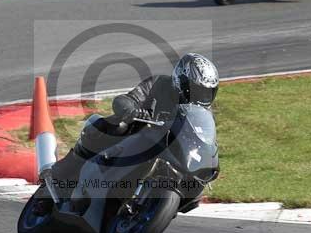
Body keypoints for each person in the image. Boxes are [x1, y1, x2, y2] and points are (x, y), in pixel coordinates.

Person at [33, 53, 219, 213]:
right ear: (181, 80)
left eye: (205, 93)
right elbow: (127, 99)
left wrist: (209, 161)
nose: (200, 97)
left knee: (195, 183)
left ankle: (146, 207)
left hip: (167, 151)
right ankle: (57, 179)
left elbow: (203, 140)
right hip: (135, 138)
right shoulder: (159, 84)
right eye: (195, 90)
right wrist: (132, 109)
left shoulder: (203, 114)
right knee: (114, 126)